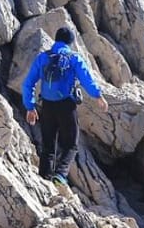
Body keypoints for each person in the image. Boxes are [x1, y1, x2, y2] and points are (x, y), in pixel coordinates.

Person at [21, 26, 107, 186]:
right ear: (70, 42)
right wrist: (98, 96)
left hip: (46, 105)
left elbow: (28, 84)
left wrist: (30, 106)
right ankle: (60, 175)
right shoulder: (74, 58)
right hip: (66, 105)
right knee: (71, 144)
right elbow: (86, 79)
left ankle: (44, 178)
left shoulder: (43, 57)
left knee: (48, 144)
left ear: (56, 39)